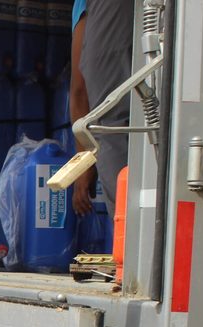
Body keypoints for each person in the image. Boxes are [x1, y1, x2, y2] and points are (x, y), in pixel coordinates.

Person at [70, 0, 134, 219]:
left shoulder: (87, 9)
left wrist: (82, 166)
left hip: (118, 133)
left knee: (110, 124)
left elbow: (80, 91)